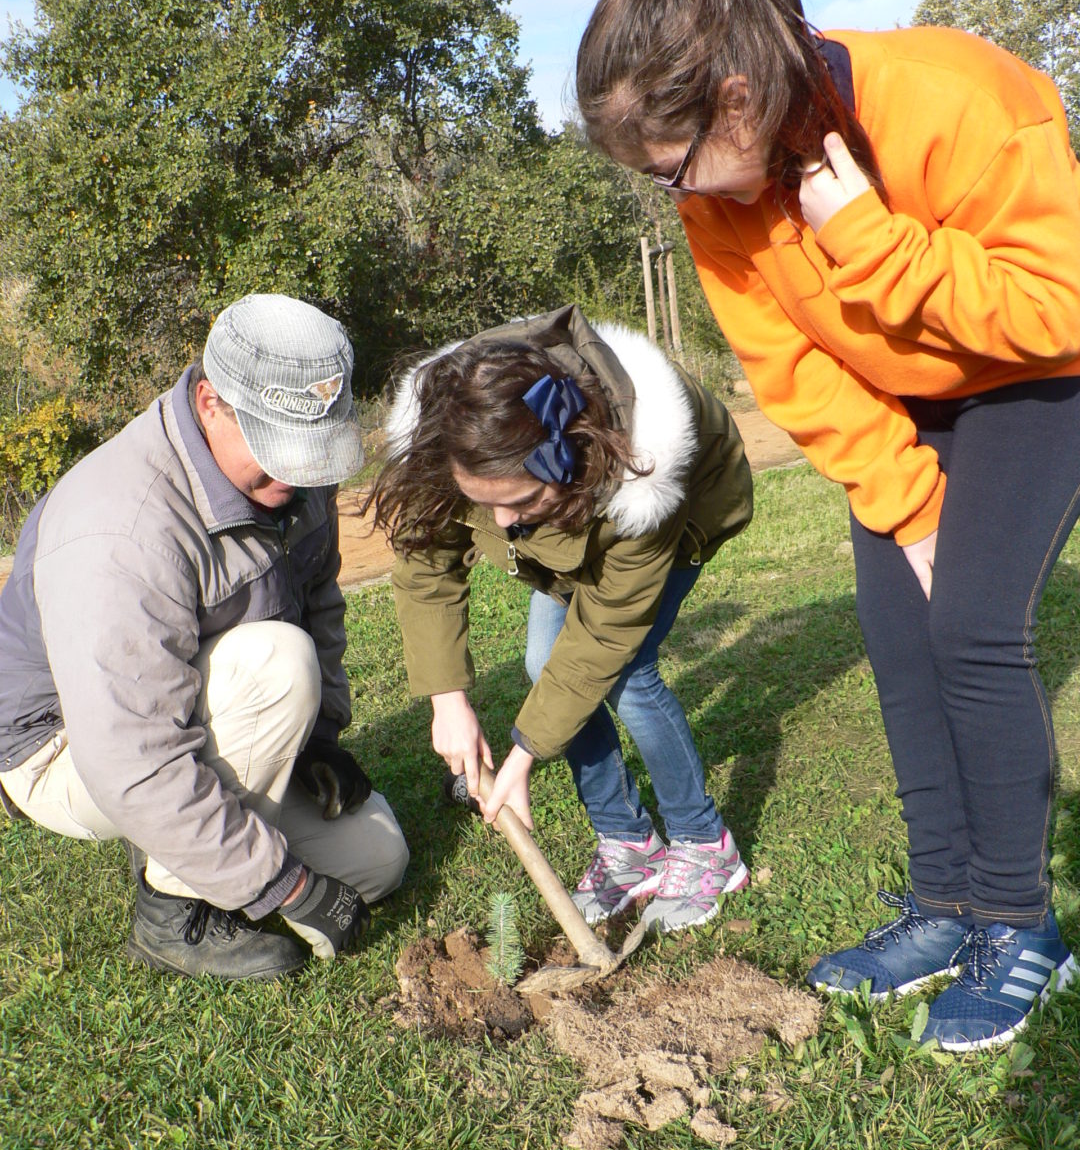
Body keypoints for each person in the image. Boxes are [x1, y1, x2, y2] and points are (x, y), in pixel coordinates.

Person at [574, 0, 1080, 1050]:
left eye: (674, 166)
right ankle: (944, 907)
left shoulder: (953, 95)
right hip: (903, 398)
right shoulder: (723, 202)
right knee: (902, 640)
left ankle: (1021, 924)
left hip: (1039, 379)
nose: (678, 194)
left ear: (737, 98)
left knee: (973, 632)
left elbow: (1059, 307)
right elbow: (791, 364)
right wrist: (905, 505)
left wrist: (871, 243)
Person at [0, 293, 409, 980]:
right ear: (213, 401)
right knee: (277, 665)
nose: (295, 473)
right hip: (63, 747)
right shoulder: (119, 527)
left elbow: (321, 604)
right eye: (277, 447)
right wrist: (290, 889)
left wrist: (319, 742)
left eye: (309, 451)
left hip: (179, 708)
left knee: (379, 861)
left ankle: (194, 841)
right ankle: (172, 914)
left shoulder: (295, 484)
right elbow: (129, 759)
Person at [369, 304, 752, 933]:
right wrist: (447, 699)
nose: (498, 522)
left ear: (568, 458)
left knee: (625, 670)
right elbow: (426, 566)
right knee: (543, 661)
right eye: (481, 501)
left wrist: (522, 757)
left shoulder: (640, 473)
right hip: (568, 529)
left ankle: (705, 845)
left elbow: (605, 631)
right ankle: (630, 846)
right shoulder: (460, 434)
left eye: (518, 500)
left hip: (683, 508)